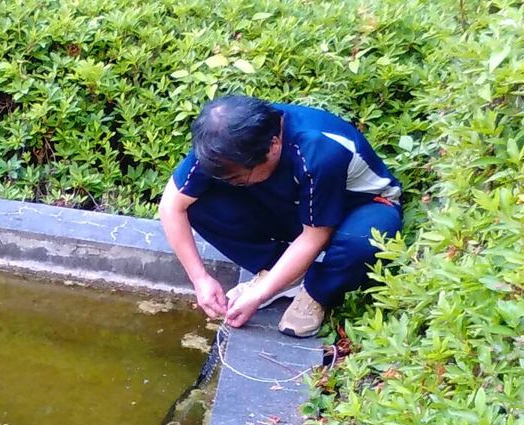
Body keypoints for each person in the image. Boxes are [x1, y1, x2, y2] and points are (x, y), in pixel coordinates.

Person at [158, 95, 402, 337]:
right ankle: (279, 271)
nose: (232, 182)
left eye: (237, 177)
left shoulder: (317, 149)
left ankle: (316, 292)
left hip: (361, 205)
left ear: (274, 145)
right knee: (197, 203)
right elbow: (171, 206)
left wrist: (259, 294)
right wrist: (200, 279)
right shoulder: (220, 143)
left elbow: (315, 235)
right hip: (294, 201)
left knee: (361, 242)